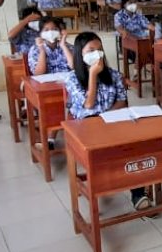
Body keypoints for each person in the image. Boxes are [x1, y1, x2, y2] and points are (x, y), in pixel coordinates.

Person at [64, 32, 152, 211]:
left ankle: (138, 192)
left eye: (99, 49)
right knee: (109, 152)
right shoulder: (72, 78)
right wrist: (92, 76)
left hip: (111, 121)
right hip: (86, 128)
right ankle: (107, 180)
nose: (97, 54)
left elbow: (121, 100)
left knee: (133, 146)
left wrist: (107, 117)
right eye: (91, 50)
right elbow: (88, 105)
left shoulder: (114, 75)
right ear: (80, 54)